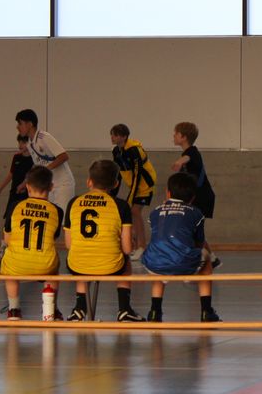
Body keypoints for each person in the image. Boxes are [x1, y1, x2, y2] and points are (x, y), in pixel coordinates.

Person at [64, 160, 143, 322]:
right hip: (111, 265)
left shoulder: (73, 203)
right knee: (126, 262)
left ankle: (79, 308)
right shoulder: (121, 206)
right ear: (115, 184)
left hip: (77, 264)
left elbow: (68, 244)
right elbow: (127, 249)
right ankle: (124, 309)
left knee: (81, 256)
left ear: (89, 182)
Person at [140, 172, 220, 322]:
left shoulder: (155, 212)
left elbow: (158, 236)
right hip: (183, 262)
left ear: (168, 193)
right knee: (206, 258)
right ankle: (206, 311)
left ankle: (155, 311)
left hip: (154, 263)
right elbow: (199, 242)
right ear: (193, 197)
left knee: (158, 257)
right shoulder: (196, 213)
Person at [0, 165, 63, 321]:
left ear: (27, 186)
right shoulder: (57, 211)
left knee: (8, 265)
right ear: (51, 187)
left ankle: (14, 309)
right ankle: (51, 308)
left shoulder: (15, 206)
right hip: (44, 265)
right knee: (54, 266)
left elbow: (7, 240)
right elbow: (52, 238)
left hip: (17, 264)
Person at [171, 122, 218, 268]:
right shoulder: (189, 152)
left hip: (202, 197)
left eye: (176, 133)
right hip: (197, 197)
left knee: (193, 230)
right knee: (194, 230)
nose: (173, 136)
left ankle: (202, 260)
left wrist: (179, 162)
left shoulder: (192, 152)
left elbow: (188, 158)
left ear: (183, 137)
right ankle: (212, 258)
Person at [110, 124, 158, 259]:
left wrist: (131, 196)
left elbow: (138, 174)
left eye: (115, 135)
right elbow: (118, 173)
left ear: (124, 136)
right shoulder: (116, 151)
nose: (112, 137)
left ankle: (142, 247)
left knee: (135, 212)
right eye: (112, 134)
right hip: (134, 186)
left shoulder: (134, 150)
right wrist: (112, 194)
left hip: (145, 185)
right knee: (131, 213)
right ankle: (135, 246)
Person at [15, 109, 76, 212]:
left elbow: (64, 156)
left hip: (62, 185)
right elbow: (38, 165)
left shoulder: (44, 137)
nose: (17, 127)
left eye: (20, 123)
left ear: (30, 124)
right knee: (51, 216)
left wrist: (45, 170)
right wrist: (25, 182)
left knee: (61, 217)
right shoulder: (30, 143)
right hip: (49, 185)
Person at [0, 134, 33, 216]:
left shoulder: (34, 159)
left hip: (27, 194)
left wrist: (24, 185)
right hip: (14, 192)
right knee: (10, 216)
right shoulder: (16, 157)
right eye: (19, 142)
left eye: (23, 143)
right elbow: (11, 174)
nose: (20, 145)